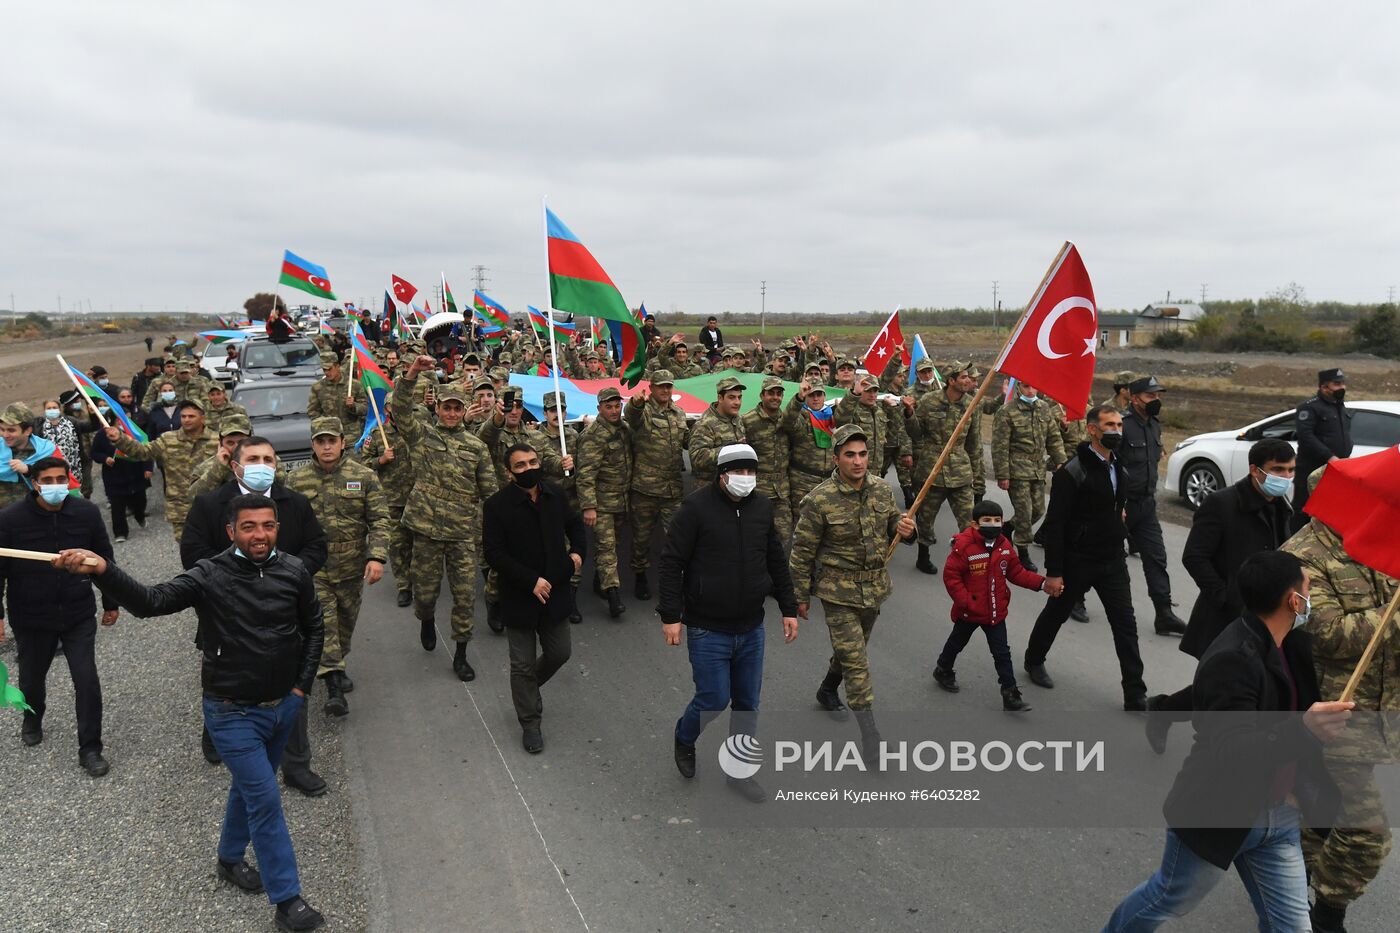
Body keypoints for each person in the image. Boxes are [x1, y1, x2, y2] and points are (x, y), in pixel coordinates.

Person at [55, 495, 328, 931]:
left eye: (268, 526)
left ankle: (228, 858)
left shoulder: (294, 570)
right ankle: (288, 900)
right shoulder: (210, 574)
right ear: (231, 532)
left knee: (248, 790)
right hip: (230, 711)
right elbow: (150, 601)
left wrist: (300, 689)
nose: (260, 535)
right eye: (249, 527)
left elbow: (314, 627)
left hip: (283, 707)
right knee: (266, 800)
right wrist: (105, 571)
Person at [1102, 550, 1352, 933]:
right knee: (1167, 897)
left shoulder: (1294, 645)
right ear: (1292, 600)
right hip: (1220, 814)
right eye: (1307, 586)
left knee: (1292, 927)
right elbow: (1234, 751)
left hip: (1280, 818)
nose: (1312, 592)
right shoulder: (1232, 658)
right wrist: (1305, 730)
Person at [1282, 470, 1398, 933]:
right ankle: (1327, 913)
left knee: (1322, 811)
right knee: (1368, 835)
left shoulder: (1372, 541)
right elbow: (1325, 634)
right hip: (1334, 712)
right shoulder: (1301, 557)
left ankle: (1295, 879)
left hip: (1380, 708)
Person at [182, 436, 330, 796]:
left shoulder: (293, 503)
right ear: (235, 465)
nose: (262, 464)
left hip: (283, 617)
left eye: (268, 458)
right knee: (225, 682)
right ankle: (218, 733)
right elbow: (192, 553)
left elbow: (316, 546)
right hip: (226, 619)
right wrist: (238, 579)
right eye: (253, 458)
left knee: (292, 689)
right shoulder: (209, 504)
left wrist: (289, 575)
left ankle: (296, 765)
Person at [658, 443, 798, 799]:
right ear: (722, 475)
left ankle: (739, 771)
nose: (746, 479)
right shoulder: (695, 509)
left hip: (751, 626)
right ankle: (684, 737)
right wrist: (671, 616)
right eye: (739, 472)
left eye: (752, 473)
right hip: (708, 627)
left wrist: (788, 607)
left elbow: (775, 559)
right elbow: (672, 562)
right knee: (713, 699)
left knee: (748, 702)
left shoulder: (762, 507)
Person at [1146, 439, 1296, 752]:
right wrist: (1225, 596)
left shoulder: (1282, 508)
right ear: (1255, 470)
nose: (1286, 476)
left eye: (1291, 470)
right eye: (1278, 470)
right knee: (1222, 684)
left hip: (1267, 617)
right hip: (1226, 614)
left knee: (1234, 684)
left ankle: (1166, 711)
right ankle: (1202, 740)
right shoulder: (1222, 503)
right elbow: (1195, 556)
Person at [789, 425, 916, 760]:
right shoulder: (819, 500)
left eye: (862, 454)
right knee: (858, 663)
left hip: (874, 588)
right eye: (850, 455)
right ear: (836, 458)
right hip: (837, 591)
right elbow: (801, 552)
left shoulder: (881, 490)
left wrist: (906, 528)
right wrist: (799, 596)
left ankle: (827, 688)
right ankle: (871, 740)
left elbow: (893, 526)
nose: (858, 461)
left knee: (851, 652)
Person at [1022, 405, 1149, 711]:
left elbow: (1117, 506)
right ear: (1092, 429)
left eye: (1119, 424)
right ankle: (1034, 660)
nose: (1116, 430)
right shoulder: (1072, 472)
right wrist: (1054, 572)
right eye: (1109, 425)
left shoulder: (1120, 467)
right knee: (1057, 612)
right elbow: (1056, 524)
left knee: (1125, 626)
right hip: (1079, 560)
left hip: (1112, 562)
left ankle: (1135, 693)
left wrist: (1118, 521)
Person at [0, 458, 117, 775]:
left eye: (61, 479)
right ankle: (33, 716)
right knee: (31, 680)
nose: (56, 486)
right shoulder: (11, 519)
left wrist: (111, 601)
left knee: (87, 681)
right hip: (31, 616)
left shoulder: (86, 513)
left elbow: (104, 557)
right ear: (34, 483)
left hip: (78, 613)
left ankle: (90, 748)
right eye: (48, 480)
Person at [393, 356, 496, 680]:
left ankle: (461, 653)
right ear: (437, 408)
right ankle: (425, 620)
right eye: (446, 407)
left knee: (464, 595)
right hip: (426, 531)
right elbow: (399, 410)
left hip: (462, 534)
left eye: (456, 408)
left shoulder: (476, 446)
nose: (451, 413)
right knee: (425, 594)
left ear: (463, 409)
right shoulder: (421, 436)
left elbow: (490, 492)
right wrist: (411, 373)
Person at [482, 443, 586, 753]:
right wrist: (530, 581)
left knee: (559, 653)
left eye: (533, 462)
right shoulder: (496, 506)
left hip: (556, 591)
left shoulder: (555, 495)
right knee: (522, 665)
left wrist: (577, 554)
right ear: (509, 473)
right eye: (521, 466)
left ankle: (527, 690)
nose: (529, 469)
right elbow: (493, 553)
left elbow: (575, 524)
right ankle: (530, 722)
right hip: (519, 596)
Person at [286, 418, 389, 717]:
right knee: (325, 621)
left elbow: (381, 519)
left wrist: (377, 557)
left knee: (345, 622)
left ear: (343, 442)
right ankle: (333, 686)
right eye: (320, 441)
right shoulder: (297, 481)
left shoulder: (365, 476)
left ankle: (336, 662)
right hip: (313, 569)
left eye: (332, 440)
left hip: (351, 567)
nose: (327, 446)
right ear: (313, 445)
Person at [935, 500, 1055, 712]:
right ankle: (943, 668)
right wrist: (966, 601)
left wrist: (1042, 583)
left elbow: (1017, 572)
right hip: (969, 611)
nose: (993, 524)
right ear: (975, 524)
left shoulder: (1005, 546)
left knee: (1002, 653)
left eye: (997, 520)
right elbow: (951, 577)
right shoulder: (964, 546)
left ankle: (1010, 694)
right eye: (987, 521)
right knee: (956, 643)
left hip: (994, 613)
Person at [1118, 375, 1187, 635]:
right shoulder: (1122, 426)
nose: (1156, 400)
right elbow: (1109, 467)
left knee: (1156, 558)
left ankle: (1164, 614)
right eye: (1150, 396)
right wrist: (1115, 503)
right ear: (1135, 399)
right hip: (1121, 506)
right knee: (1100, 557)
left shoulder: (1154, 426)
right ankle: (1074, 598)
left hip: (1146, 506)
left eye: (1158, 396)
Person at [906, 361, 981, 574]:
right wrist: (910, 415)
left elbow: (974, 443)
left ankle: (968, 560)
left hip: (961, 472)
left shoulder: (972, 404)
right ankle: (923, 556)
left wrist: (979, 478)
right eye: (964, 377)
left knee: (968, 521)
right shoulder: (929, 401)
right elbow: (916, 434)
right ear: (951, 380)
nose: (969, 381)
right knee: (926, 519)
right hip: (932, 470)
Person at [109, 399, 219, 542]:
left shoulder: (216, 441)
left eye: (191, 416)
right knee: (188, 548)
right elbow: (143, 452)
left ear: (203, 418)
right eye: (183, 416)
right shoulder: (169, 439)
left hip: (210, 505)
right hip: (181, 507)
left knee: (214, 547)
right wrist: (120, 439)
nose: (186, 420)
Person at [625, 371, 689, 601]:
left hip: (672, 489)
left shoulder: (679, 413)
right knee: (641, 537)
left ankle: (674, 580)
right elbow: (631, 416)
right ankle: (640, 575)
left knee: (676, 537)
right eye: (661, 386)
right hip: (645, 488)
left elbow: (689, 441)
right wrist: (635, 404)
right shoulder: (645, 411)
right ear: (651, 388)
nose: (665, 390)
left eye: (669, 386)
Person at [990, 384, 1065, 574]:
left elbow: (1054, 438)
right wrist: (1002, 474)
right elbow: (1000, 445)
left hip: (1038, 470)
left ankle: (1007, 527)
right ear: (1018, 388)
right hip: (1016, 470)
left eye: (1033, 387)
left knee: (1038, 510)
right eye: (1025, 387)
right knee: (1024, 512)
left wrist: (1061, 462)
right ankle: (1022, 552)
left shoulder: (1044, 408)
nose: (1030, 391)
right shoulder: (1007, 411)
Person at [576, 386, 634, 618]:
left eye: (616, 406)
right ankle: (613, 596)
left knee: (613, 544)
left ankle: (600, 580)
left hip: (621, 500)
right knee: (607, 547)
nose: (613, 411)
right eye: (608, 407)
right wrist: (589, 506)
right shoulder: (592, 436)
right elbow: (586, 474)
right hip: (601, 503)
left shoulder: (624, 429)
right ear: (599, 408)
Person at [1291, 367, 1352, 533]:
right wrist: (1329, 456)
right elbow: (1306, 436)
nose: (1342, 388)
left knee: (1329, 512)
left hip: (1335, 470)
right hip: (1312, 469)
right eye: (1337, 384)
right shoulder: (1309, 407)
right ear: (1324, 387)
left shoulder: (1339, 406)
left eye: (1343, 383)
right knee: (1305, 510)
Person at [742, 376, 794, 544]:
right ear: (762, 395)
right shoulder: (747, 420)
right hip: (757, 491)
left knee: (783, 538)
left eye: (779, 394)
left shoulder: (787, 419)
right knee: (755, 538)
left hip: (782, 491)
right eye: (771, 393)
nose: (775, 397)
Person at [91, 414, 153, 542]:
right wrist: (104, 458)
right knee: (117, 506)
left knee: (139, 501)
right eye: (120, 420)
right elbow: (94, 452)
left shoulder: (135, 432)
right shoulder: (103, 434)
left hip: (136, 473)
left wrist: (148, 468)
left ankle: (139, 516)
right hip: (114, 475)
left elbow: (147, 450)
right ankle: (120, 532)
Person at [688, 378, 747, 486]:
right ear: (720, 398)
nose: (737, 402)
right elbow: (697, 458)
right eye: (731, 397)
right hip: (710, 489)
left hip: (733, 486)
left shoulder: (737, 419)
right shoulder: (705, 424)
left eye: (739, 397)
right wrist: (730, 449)